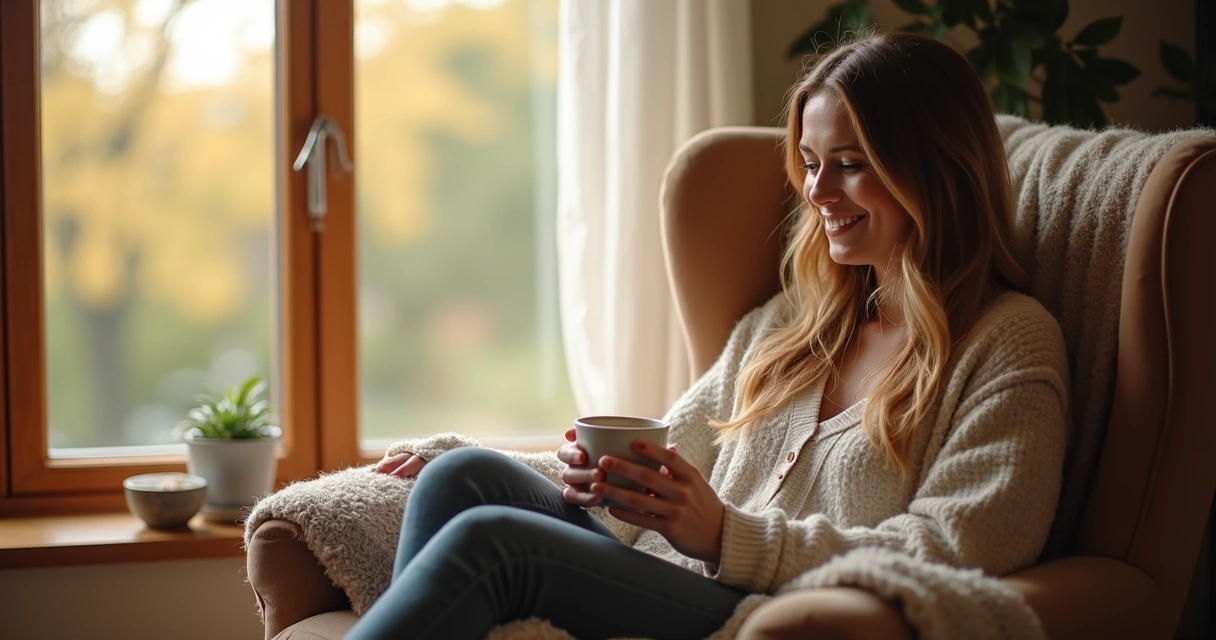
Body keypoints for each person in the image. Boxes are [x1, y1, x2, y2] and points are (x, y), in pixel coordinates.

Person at [346, 31, 1069, 640]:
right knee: (458, 478)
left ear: (936, 172)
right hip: (669, 574)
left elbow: (956, 547)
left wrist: (728, 536)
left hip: (765, 613)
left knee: (491, 548)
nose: (817, 194)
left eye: (850, 166)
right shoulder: (793, 321)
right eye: (811, 165)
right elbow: (672, 452)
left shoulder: (1009, 344)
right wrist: (598, 476)